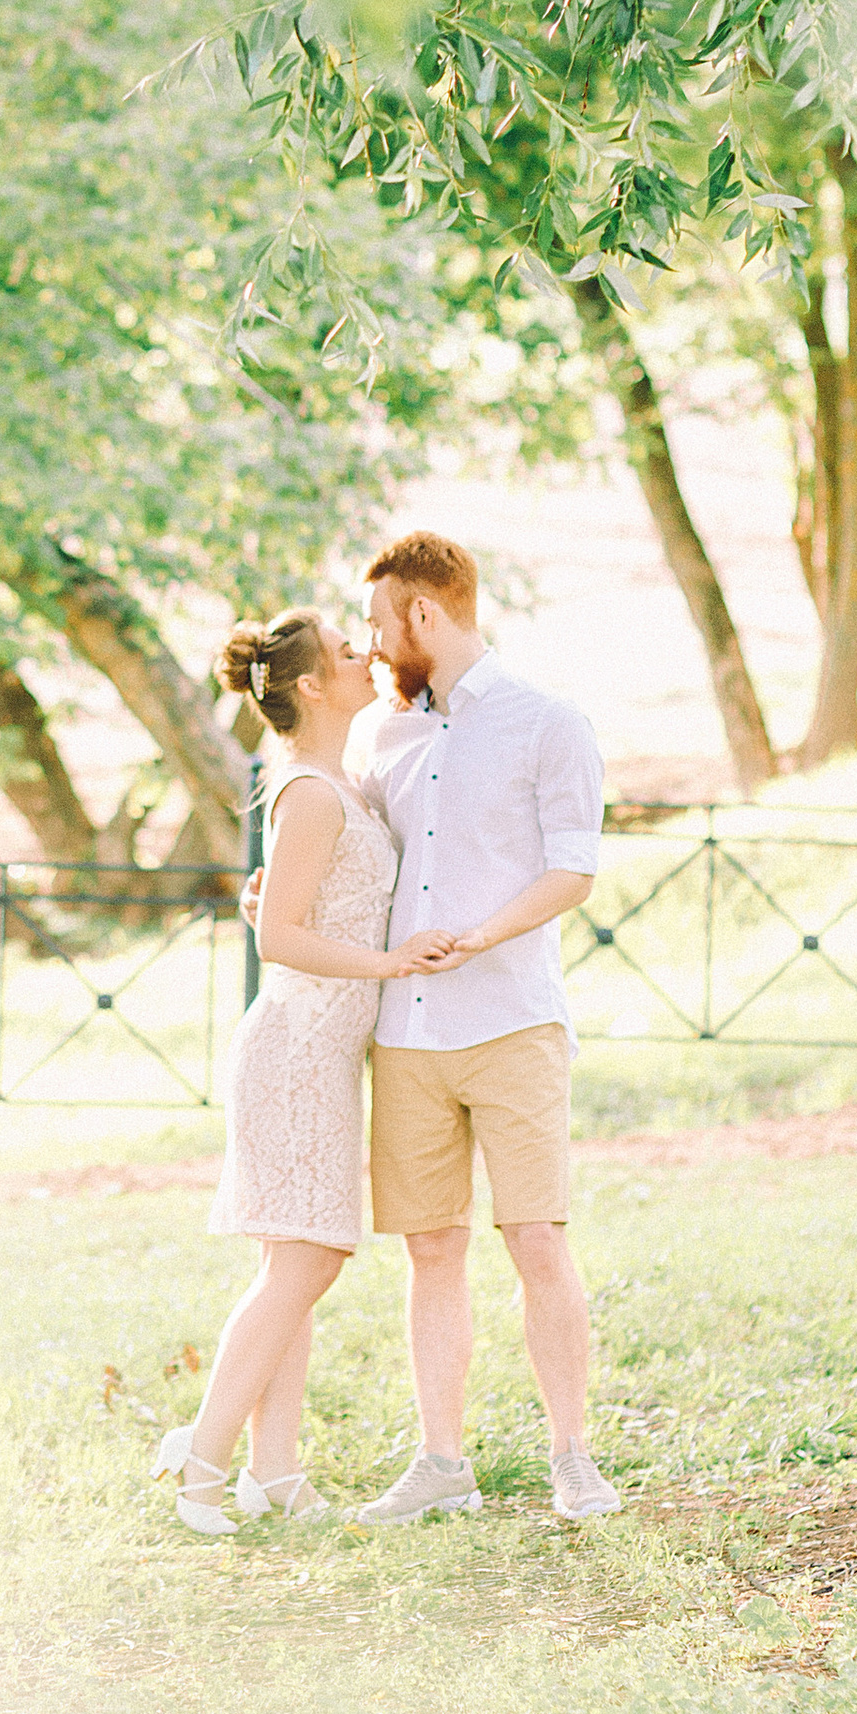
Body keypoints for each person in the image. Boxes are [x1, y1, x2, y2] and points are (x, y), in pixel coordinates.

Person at [153, 609, 453, 1534]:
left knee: (297, 1258)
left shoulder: (342, 783)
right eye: (346, 651)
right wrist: (391, 964)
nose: (367, 656)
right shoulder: (312, 793)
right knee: (310, 1257)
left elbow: (289, 906)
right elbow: (281, 936)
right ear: (314, 685)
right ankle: (202, 1461)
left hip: (324, 1051)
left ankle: (273, 1473)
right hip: (294, 1049)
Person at [351, 531, 621, 1528]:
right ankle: (439, 1461)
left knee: (536, 1238)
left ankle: (571, 1455)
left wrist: (479, 935)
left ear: (425, 614)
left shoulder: (548, 723)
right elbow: (359, 861)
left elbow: (572, 867)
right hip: (406, 1034)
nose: (370, 643)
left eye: (378, 623)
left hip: (510, 1020)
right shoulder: (380, 737)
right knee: (429, 1249)